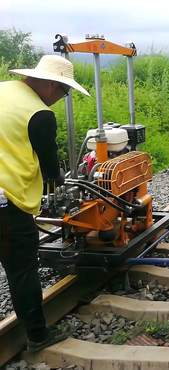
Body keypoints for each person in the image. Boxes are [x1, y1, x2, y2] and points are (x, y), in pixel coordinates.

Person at [0, 55, 89, 352]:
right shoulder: (39, 114)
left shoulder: (3, 90)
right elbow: (51, 170)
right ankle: (38, 337)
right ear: (52, 85)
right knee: (21, 270)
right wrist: (63, 183)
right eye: (64, 93)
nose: (61, 99)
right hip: (7, 205)